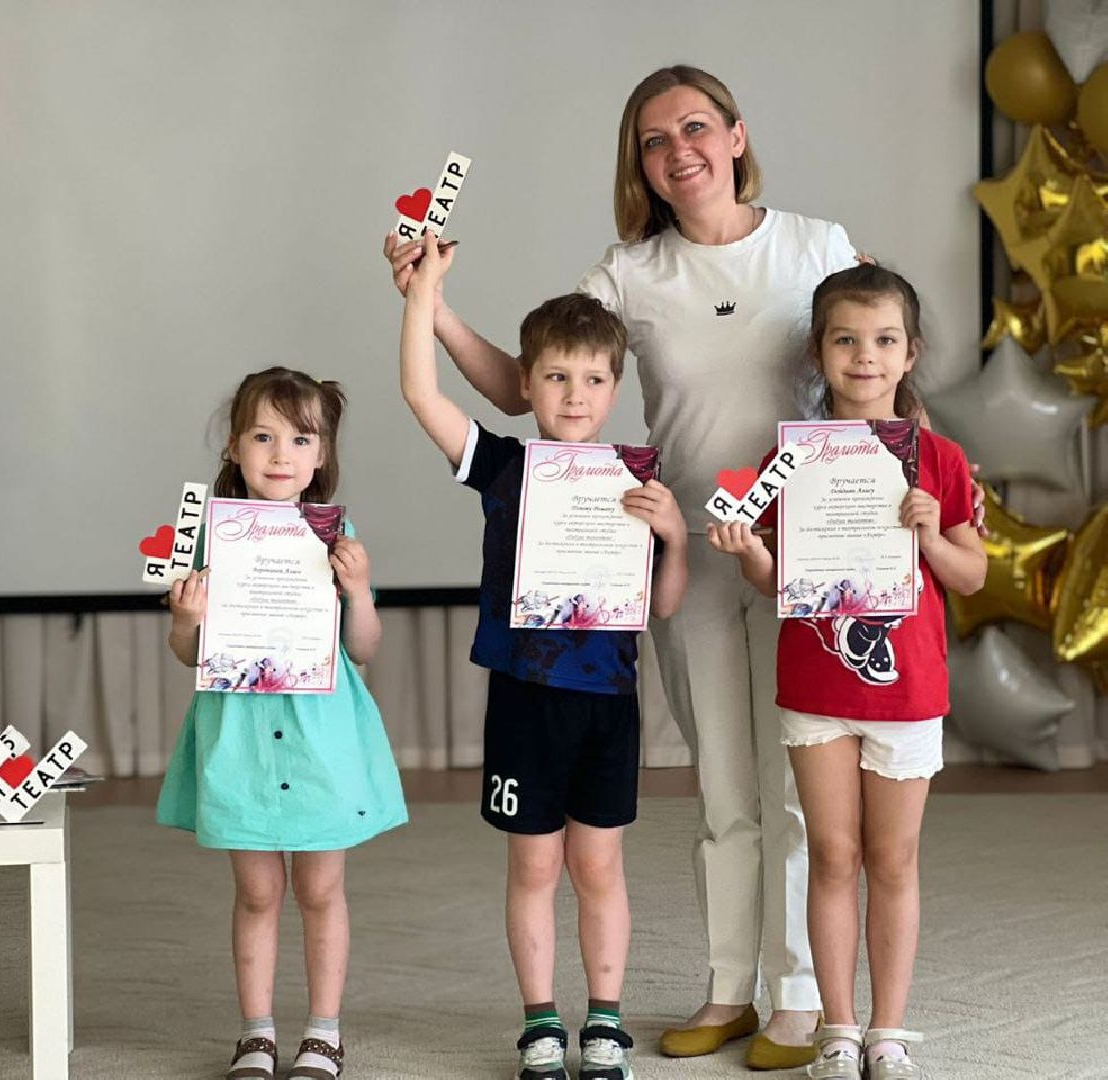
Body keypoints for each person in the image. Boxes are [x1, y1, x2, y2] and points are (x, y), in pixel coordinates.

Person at [384, 64, 857, 1067]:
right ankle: (730, 989)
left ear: (735, 134)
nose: (677, 148)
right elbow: (530, 382)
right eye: (653, 138)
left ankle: (802, 997)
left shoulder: (817, 248)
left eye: (695, 126)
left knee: (792, 785)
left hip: (794, 554)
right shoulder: (630, 270)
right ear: (638, 164)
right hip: (671, 551)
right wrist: (432, 299)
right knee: (724, 788)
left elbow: (875, 371)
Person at [399, 233, 688, 1080]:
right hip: (526, 697)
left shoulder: (637, 480)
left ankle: (605, 1020)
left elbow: (658, 608)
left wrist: (671, 535)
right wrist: (426, 295)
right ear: (525, 385)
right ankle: (539, 1024)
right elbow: (421, 390)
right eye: (555, 376)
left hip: (609, 701)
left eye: (594, 378)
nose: (574, 393)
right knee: (533, 862)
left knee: (599, 864)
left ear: (615, 388)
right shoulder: (505, 465)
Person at [707, 264, 986, 1079]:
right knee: (830, 854)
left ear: (910, 355)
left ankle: (888, 1032)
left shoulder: (938, 459)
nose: (865, 357)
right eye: (846, 340)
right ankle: (837, 1027)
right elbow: (772, 577)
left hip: (905, 692)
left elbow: (970, 575)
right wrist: (753, 551)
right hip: (817, 688)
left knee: (893, 860)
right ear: (819, 351)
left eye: (884, 340)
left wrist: (931, 535)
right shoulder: (789, 460)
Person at [156, 367, 408, 1080]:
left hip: (320, 736)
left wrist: (357, 591)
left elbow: (363, 649)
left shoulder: (337, 534)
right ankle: (256, 1033)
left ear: (322, 455)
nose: (281, 454)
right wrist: (185, 619)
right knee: (258, 891)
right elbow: (188, 654)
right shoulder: (211, 533)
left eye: (301, 439)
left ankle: (323, 1032)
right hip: (240, 736)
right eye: (263, 436)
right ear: (235, 447)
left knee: (321, 889)